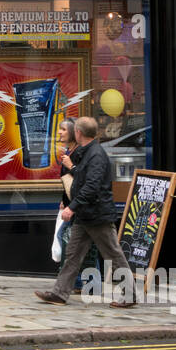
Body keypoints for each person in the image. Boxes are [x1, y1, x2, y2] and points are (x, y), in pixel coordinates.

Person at [35, 116, 136, 308]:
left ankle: (130, 295)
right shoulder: (86, 151)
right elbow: (82, 177)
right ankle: (59, 293)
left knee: (113, 255)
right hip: (85, 215)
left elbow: (91, 187)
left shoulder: (96, 155)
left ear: (78, 133)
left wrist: (72, 207)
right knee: (73, 255)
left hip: (97, 215)